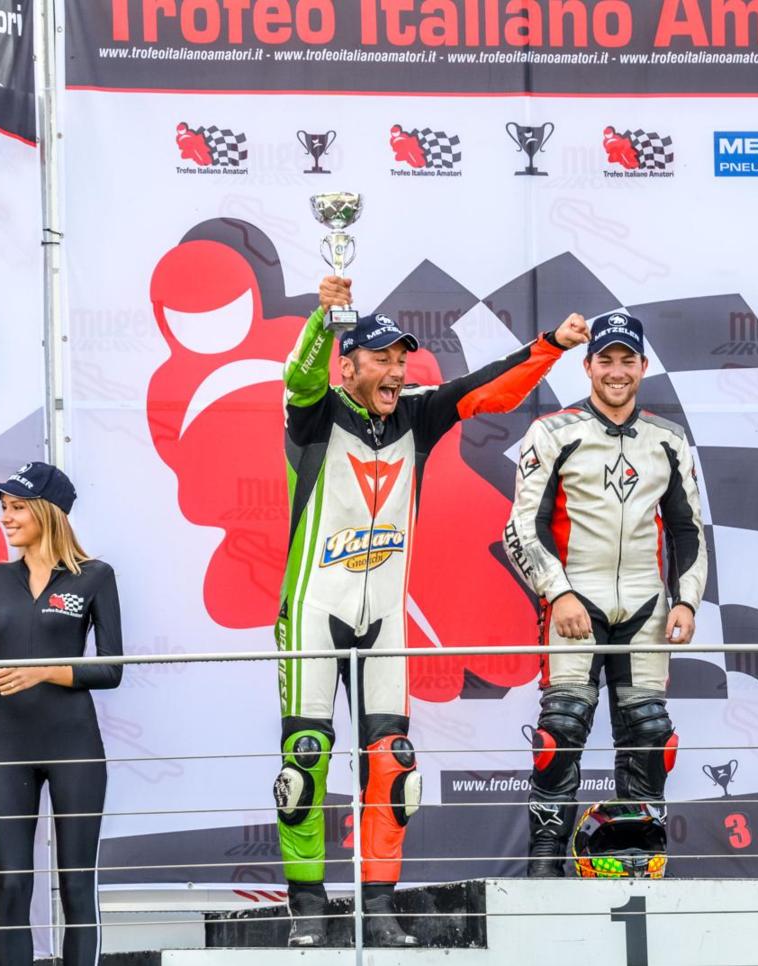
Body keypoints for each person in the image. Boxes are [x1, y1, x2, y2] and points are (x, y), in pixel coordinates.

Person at [275, 276, 589, 946]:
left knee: (394, 765)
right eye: (381, 359)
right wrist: (324, 319)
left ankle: (378, 905)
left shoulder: (417, 414)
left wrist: (550, 346)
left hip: (385, 619)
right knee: (305, 760)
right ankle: (308, 906)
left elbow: (487, 389)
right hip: (312, 611)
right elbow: (297, 375)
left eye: (401, 359)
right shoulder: (314, 413)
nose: (396, 370)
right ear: (349, 367)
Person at [502, 311, 707, 876]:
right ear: (588, 366)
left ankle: (636, 861)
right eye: (606, 360)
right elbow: (520, 526)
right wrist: (558, 593)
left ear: (643, 366)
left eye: (627, 361)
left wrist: (686, 600)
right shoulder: (553, 431)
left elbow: (688, 529)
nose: (617, 371)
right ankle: (544, 865)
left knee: (650, 735)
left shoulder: (669, 439)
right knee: (562, 728)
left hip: (646, 604)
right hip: (576, 599)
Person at [0, 462, 123, 966]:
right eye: (4, 508)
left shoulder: (95, 576)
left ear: (49, 512)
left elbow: (111, 669)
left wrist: (44, 671)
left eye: (17, 507)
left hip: (74, 744)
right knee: (11, 883)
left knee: (76, 884)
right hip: (8, 746)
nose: (6, 517)